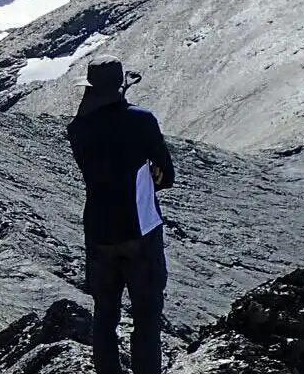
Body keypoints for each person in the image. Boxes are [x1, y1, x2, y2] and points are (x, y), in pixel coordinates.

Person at [66, 55, 175, 374]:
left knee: (105, 315)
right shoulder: (141, 120)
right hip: (139, 227)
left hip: (98, 231)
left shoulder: (77, 129)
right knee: (147, 316)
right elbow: (166, 174)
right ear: (120, 86)